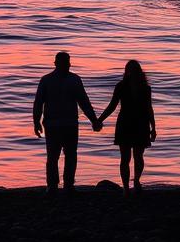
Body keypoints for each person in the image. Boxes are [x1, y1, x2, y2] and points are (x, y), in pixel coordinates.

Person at [33, 51, 101, 192]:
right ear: (56, 63)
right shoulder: (68, 80)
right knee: (63, 155)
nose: (68, 65)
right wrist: (36, 122)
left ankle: (58, 185)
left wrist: (94, 120)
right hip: (60, 124)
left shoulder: (50, 80)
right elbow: (83, 102)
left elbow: (83, 102)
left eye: (68, 62)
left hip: (62, 124)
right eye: (66, 62)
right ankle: (61, 185)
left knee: (59, 156)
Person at [98, 59, 156, 196]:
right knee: (137, 156)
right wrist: (153, 127)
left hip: (126, 123)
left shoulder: (122, 86)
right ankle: (135, 182)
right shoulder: (144, 87)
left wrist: (99, 120)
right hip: (140, 123)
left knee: (126, 158)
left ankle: (127, 187)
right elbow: (149, 109)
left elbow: (112, 106)